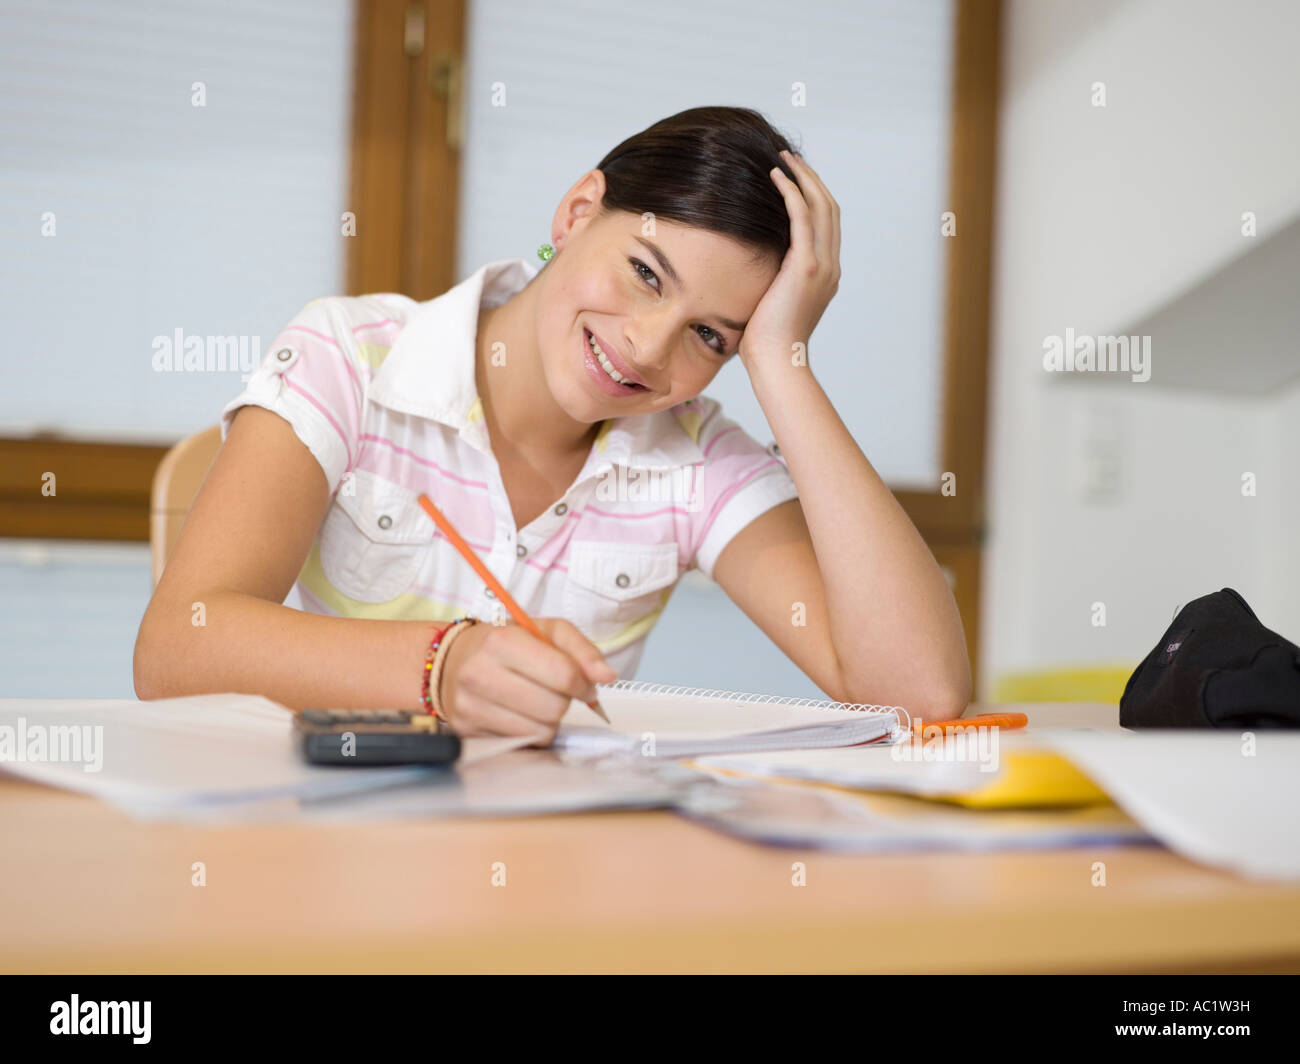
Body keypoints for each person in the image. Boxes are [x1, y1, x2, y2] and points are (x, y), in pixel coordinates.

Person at [133, 105, 971, 743]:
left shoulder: (695, 457)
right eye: (646, 272)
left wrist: (782, 362)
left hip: (553, 872)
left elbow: (916, 689)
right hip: (334, 851)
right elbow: (178, 644)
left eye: (711, 335)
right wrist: (440, 666)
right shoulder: (350, 358)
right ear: (576, 212)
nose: (648, 347)